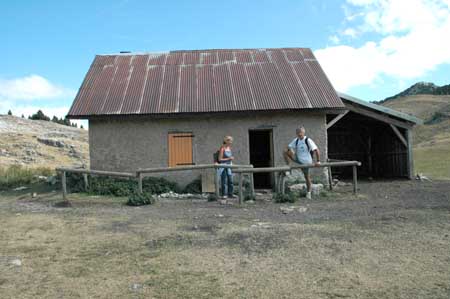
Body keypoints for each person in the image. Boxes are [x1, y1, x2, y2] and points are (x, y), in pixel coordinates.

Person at [284, 126, 321, 199]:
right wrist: (290, 150)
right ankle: (288, 167)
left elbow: (316, 150)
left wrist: (318, 161)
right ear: (296, 133)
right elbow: (288, 147)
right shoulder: (296, 140)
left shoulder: (308, 140)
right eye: (298, 133)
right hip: (298, 159)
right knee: (285, 151)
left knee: (306, 177)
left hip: (306, 162)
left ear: (304, 132)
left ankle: (309, 192)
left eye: (300, 132)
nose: (299, 134)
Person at [218, 136, 236, 202]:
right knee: (224, 181)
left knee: (230, 180)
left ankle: (230, 193)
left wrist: (231, 162)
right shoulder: (222, 148)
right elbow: (220, 159)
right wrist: (229, 159)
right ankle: (224, 194)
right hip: (223, 166)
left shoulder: (229, 148)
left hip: (229, 166)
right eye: (229, 141)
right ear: (226, 141)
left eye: (231, 141)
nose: (231, 142)